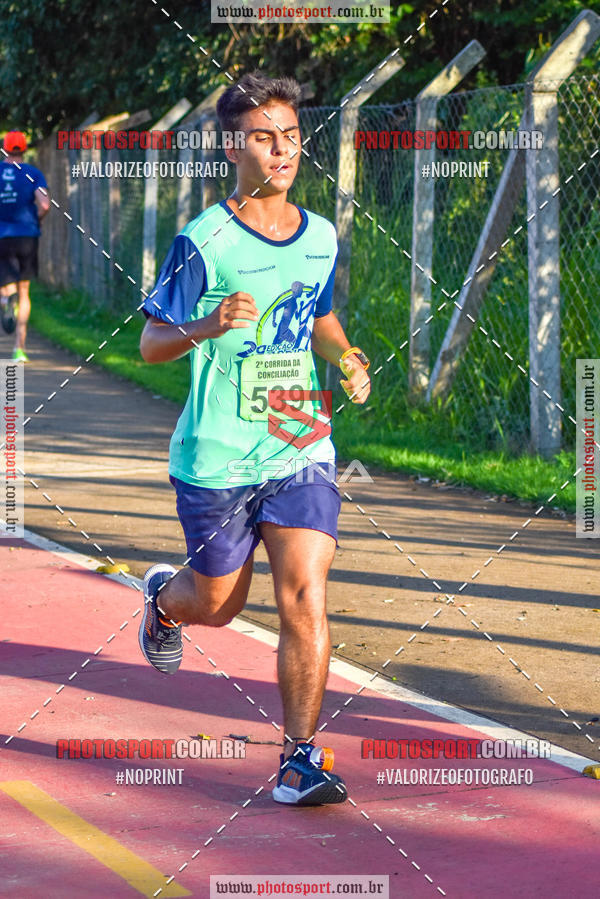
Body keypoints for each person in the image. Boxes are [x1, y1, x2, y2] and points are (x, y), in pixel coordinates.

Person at [138, 72, 371, 806]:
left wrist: (346, 355)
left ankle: (299, 758)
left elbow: (317, 313)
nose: (282, 149)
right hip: (218, 451)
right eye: (265, 137)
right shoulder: (203, 238)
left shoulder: (322, 235)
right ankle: (166, 604)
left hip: (299, 438)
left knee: (305, 594)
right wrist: (208, 325)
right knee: (221, 602)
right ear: (232, 147)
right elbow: (149, 342)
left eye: (291, 136)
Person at [0, 130, 50, 361]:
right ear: (24, 149)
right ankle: (18, 349)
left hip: (2, 236)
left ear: (5, 148)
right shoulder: (32, 173)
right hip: (27, 236)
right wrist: (37, 219)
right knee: (24, 291)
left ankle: (5, 300)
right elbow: (45, 204)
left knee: (6, 284)